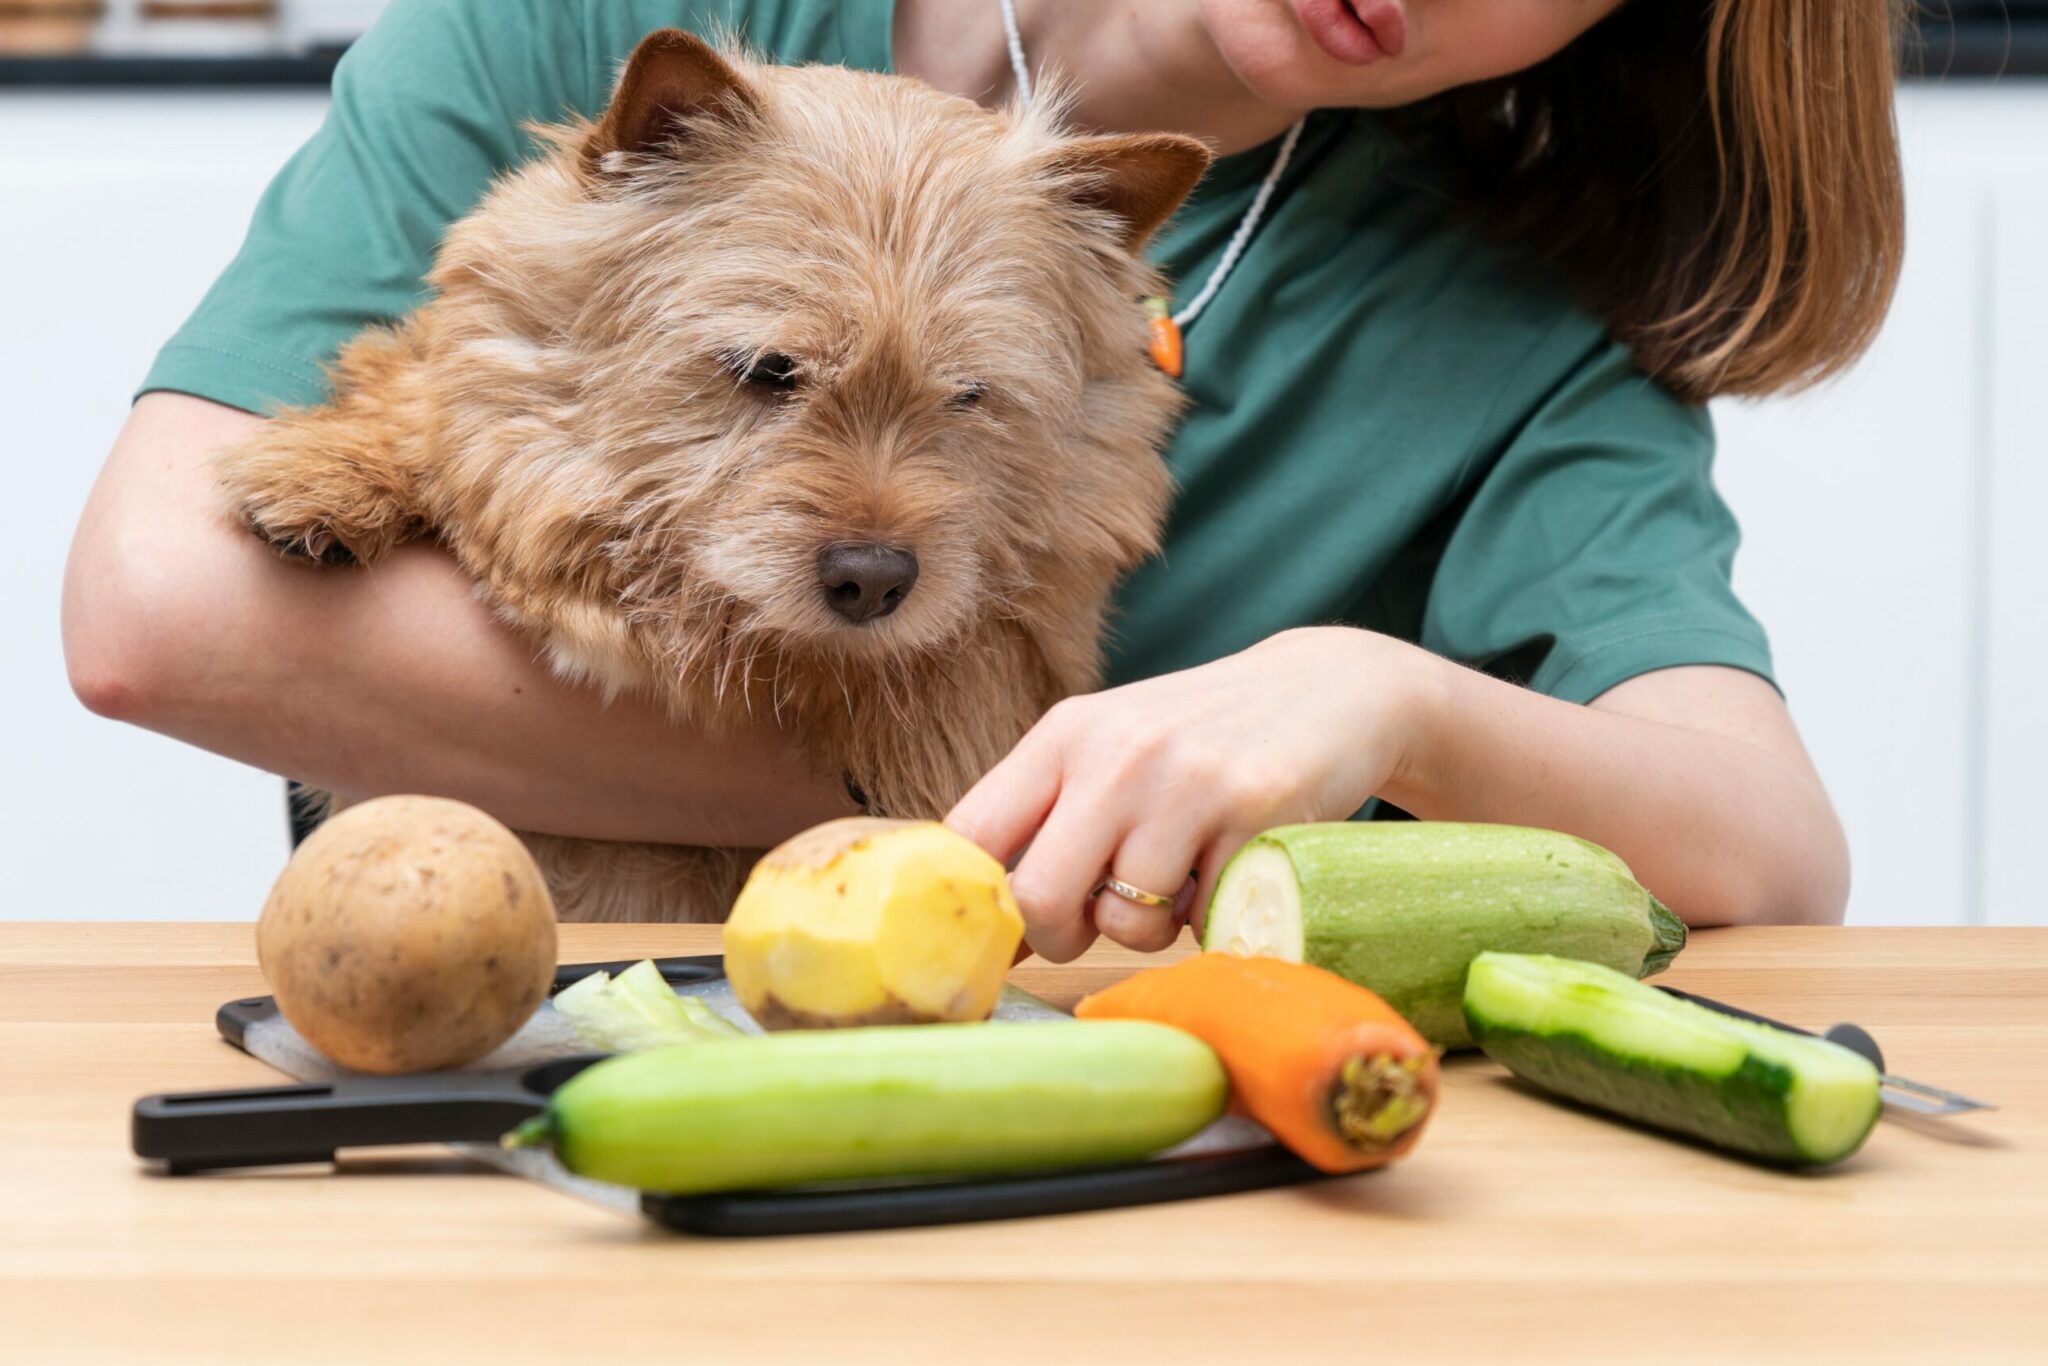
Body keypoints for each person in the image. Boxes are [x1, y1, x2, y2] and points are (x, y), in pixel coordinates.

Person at [61, 0, 1904, 959]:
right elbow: (164, 614)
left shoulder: (1517, 323)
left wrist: (1383, 697)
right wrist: (967, 800)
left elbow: (1768, 852)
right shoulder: (609, 30)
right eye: (771, 375)